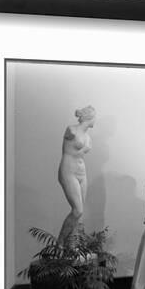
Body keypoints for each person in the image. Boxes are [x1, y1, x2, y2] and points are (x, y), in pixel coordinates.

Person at [57, 105, 95, 246]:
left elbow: (81, 153)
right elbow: (74, 152)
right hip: (69, 170)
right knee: (77, 210)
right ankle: (59, 243)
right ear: (89, 117)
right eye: (94, 117)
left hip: (82, 172)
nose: (95, 120)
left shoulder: (88, 137)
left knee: (80, 213)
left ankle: (73, 246)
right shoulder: (71, 130)